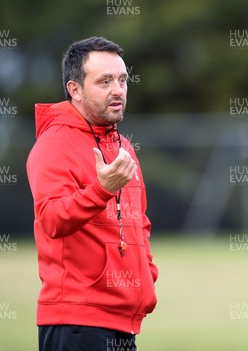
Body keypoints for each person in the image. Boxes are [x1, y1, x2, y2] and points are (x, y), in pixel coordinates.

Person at [26, 36, 158, 351]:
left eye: (123, 80)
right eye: (105, 81)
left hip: (122, 321)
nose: (118, 90)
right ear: (75, 90)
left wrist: (147, 272)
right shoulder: (54, 143)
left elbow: (139, 220)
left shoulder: (123, 145)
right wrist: (101, 190)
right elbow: (52, 219)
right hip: (77, 324)